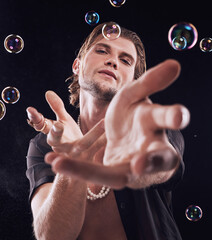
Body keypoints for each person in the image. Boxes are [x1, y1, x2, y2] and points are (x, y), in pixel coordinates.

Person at [26, 22, 190, 240]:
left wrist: (151, 160)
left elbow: (164, 165)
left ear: (133, 82)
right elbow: (50, 235)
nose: (112, 61)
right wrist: (75, 164)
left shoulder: (150, 127)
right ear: (77, 65)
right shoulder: (45, 144)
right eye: (102, 50)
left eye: (125, 60)